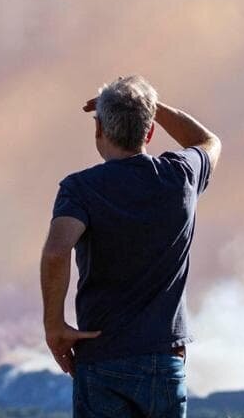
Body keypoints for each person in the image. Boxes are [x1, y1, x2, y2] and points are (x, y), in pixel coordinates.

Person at [40, 76, 221, 417]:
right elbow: (207, 140)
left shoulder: (79, 189)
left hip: (101, 355)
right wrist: (151, 108)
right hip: (164, 357)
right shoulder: (180, 177)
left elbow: (55, 252)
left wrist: (54, 326)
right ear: (150, 132)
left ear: (98, 131)